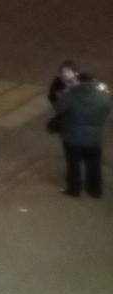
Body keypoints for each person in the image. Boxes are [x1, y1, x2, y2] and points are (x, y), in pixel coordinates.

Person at [52, 70, 111, 199]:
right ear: (93, 82)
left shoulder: (70, 95)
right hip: (94, 138)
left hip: (72, 137)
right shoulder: (103, 95)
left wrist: (66, 91)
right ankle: (95, 190)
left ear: (77, 82)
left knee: (73, 164)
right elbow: (109, 112)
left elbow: (58, 108)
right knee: (94, 164)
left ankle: (74, 190)